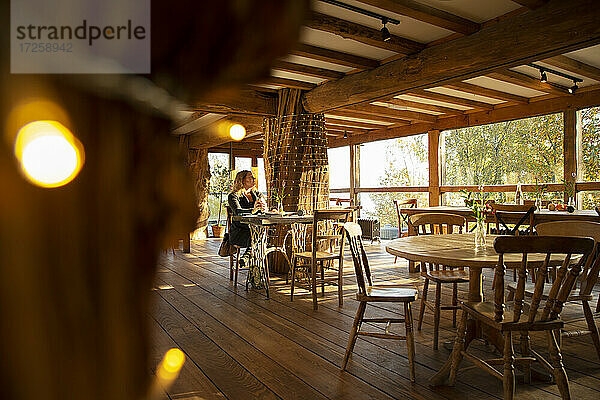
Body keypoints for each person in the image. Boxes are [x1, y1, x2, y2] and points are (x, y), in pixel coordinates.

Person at [227, 170, 267, 266]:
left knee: (260, 233)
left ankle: (247, 258)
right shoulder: (233, 196)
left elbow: (263, 211)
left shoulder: (258, 195)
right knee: (259, 235)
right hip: (240, 231)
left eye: (253, 177)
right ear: (242, 180)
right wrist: (252, 211)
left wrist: (264, 208)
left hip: (255, 228)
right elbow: (238, 212)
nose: (254, 179)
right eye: (250, 177)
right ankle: (254, 264)